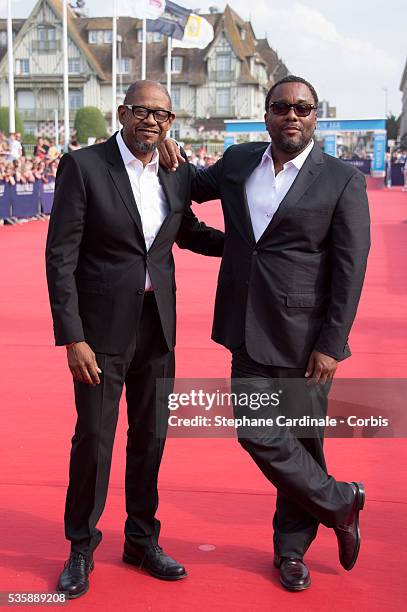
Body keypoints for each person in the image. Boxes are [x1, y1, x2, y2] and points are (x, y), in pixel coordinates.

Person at [159, 75, 370, 592]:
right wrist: (166, 156)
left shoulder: (341, 179)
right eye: (281, 107)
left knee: (302, 442)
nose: (291, 115)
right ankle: (341, 502)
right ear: (267, 113)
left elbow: (350, 267)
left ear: (315, 115)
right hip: (246, 328)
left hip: (306, 338)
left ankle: (291, 552)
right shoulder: (237, 162)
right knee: (256, 432)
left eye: (302, 108)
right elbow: (187, 187)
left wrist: (332, 343)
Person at [45, 80, 223, 599]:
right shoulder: (84, 167)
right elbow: (61, 256)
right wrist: (71, 336)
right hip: (100, 330)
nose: (151, 121)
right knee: (95, 440)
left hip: (157, 325)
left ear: (171, 122)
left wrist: (246, 247)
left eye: (162, 115)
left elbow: (186, 231)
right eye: (142, 111)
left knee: (151, 438)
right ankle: (81, 547)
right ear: (122, 112)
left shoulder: (176, 170)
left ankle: (142, 540)